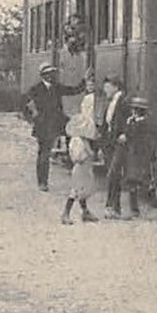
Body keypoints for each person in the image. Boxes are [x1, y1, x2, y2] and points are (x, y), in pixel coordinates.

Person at [21, 62, 88, 192]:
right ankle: (42, 182)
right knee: (44, 153)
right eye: (49, 74)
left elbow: (74, 90)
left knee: (74, 132)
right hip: (43, 125)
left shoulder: (56, 87)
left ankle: (70, 160)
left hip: (57, 121)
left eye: (53, 74)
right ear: (43, 75)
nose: (52, 76)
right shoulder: (35, 89)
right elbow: (25, 106)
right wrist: (33, 118)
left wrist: (85, 80)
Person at [118, 96, 157, 219]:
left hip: (143, 156)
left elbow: (135, 135)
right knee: (132, 181)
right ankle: (134, 211)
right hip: (133, 155)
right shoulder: (132, 121)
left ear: (139, 110)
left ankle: (154, 207)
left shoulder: (145, 123)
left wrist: (126, 135)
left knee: (146, 182)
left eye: (135, 109)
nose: (133, 111)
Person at [61, 95, 100, 225]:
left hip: (85, 167)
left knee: (83, 190)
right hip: (81, 166)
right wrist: (89, 153)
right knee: (76, 190)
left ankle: (85, 211)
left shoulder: (83, 140)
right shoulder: (78, 141)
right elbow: (78, 156)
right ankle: (66, 213)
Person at [99, 76, 131, 217]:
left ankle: (109, 206)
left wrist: (126, 134)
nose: (105, 89)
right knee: (115, 175)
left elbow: (132, 120)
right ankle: (116, 209)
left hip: (120, 143)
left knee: (113, 173)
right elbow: (106, 124)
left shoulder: (124, 101)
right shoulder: (110, 102)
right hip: (110, 143)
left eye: (107, 87)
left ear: (115, 87)